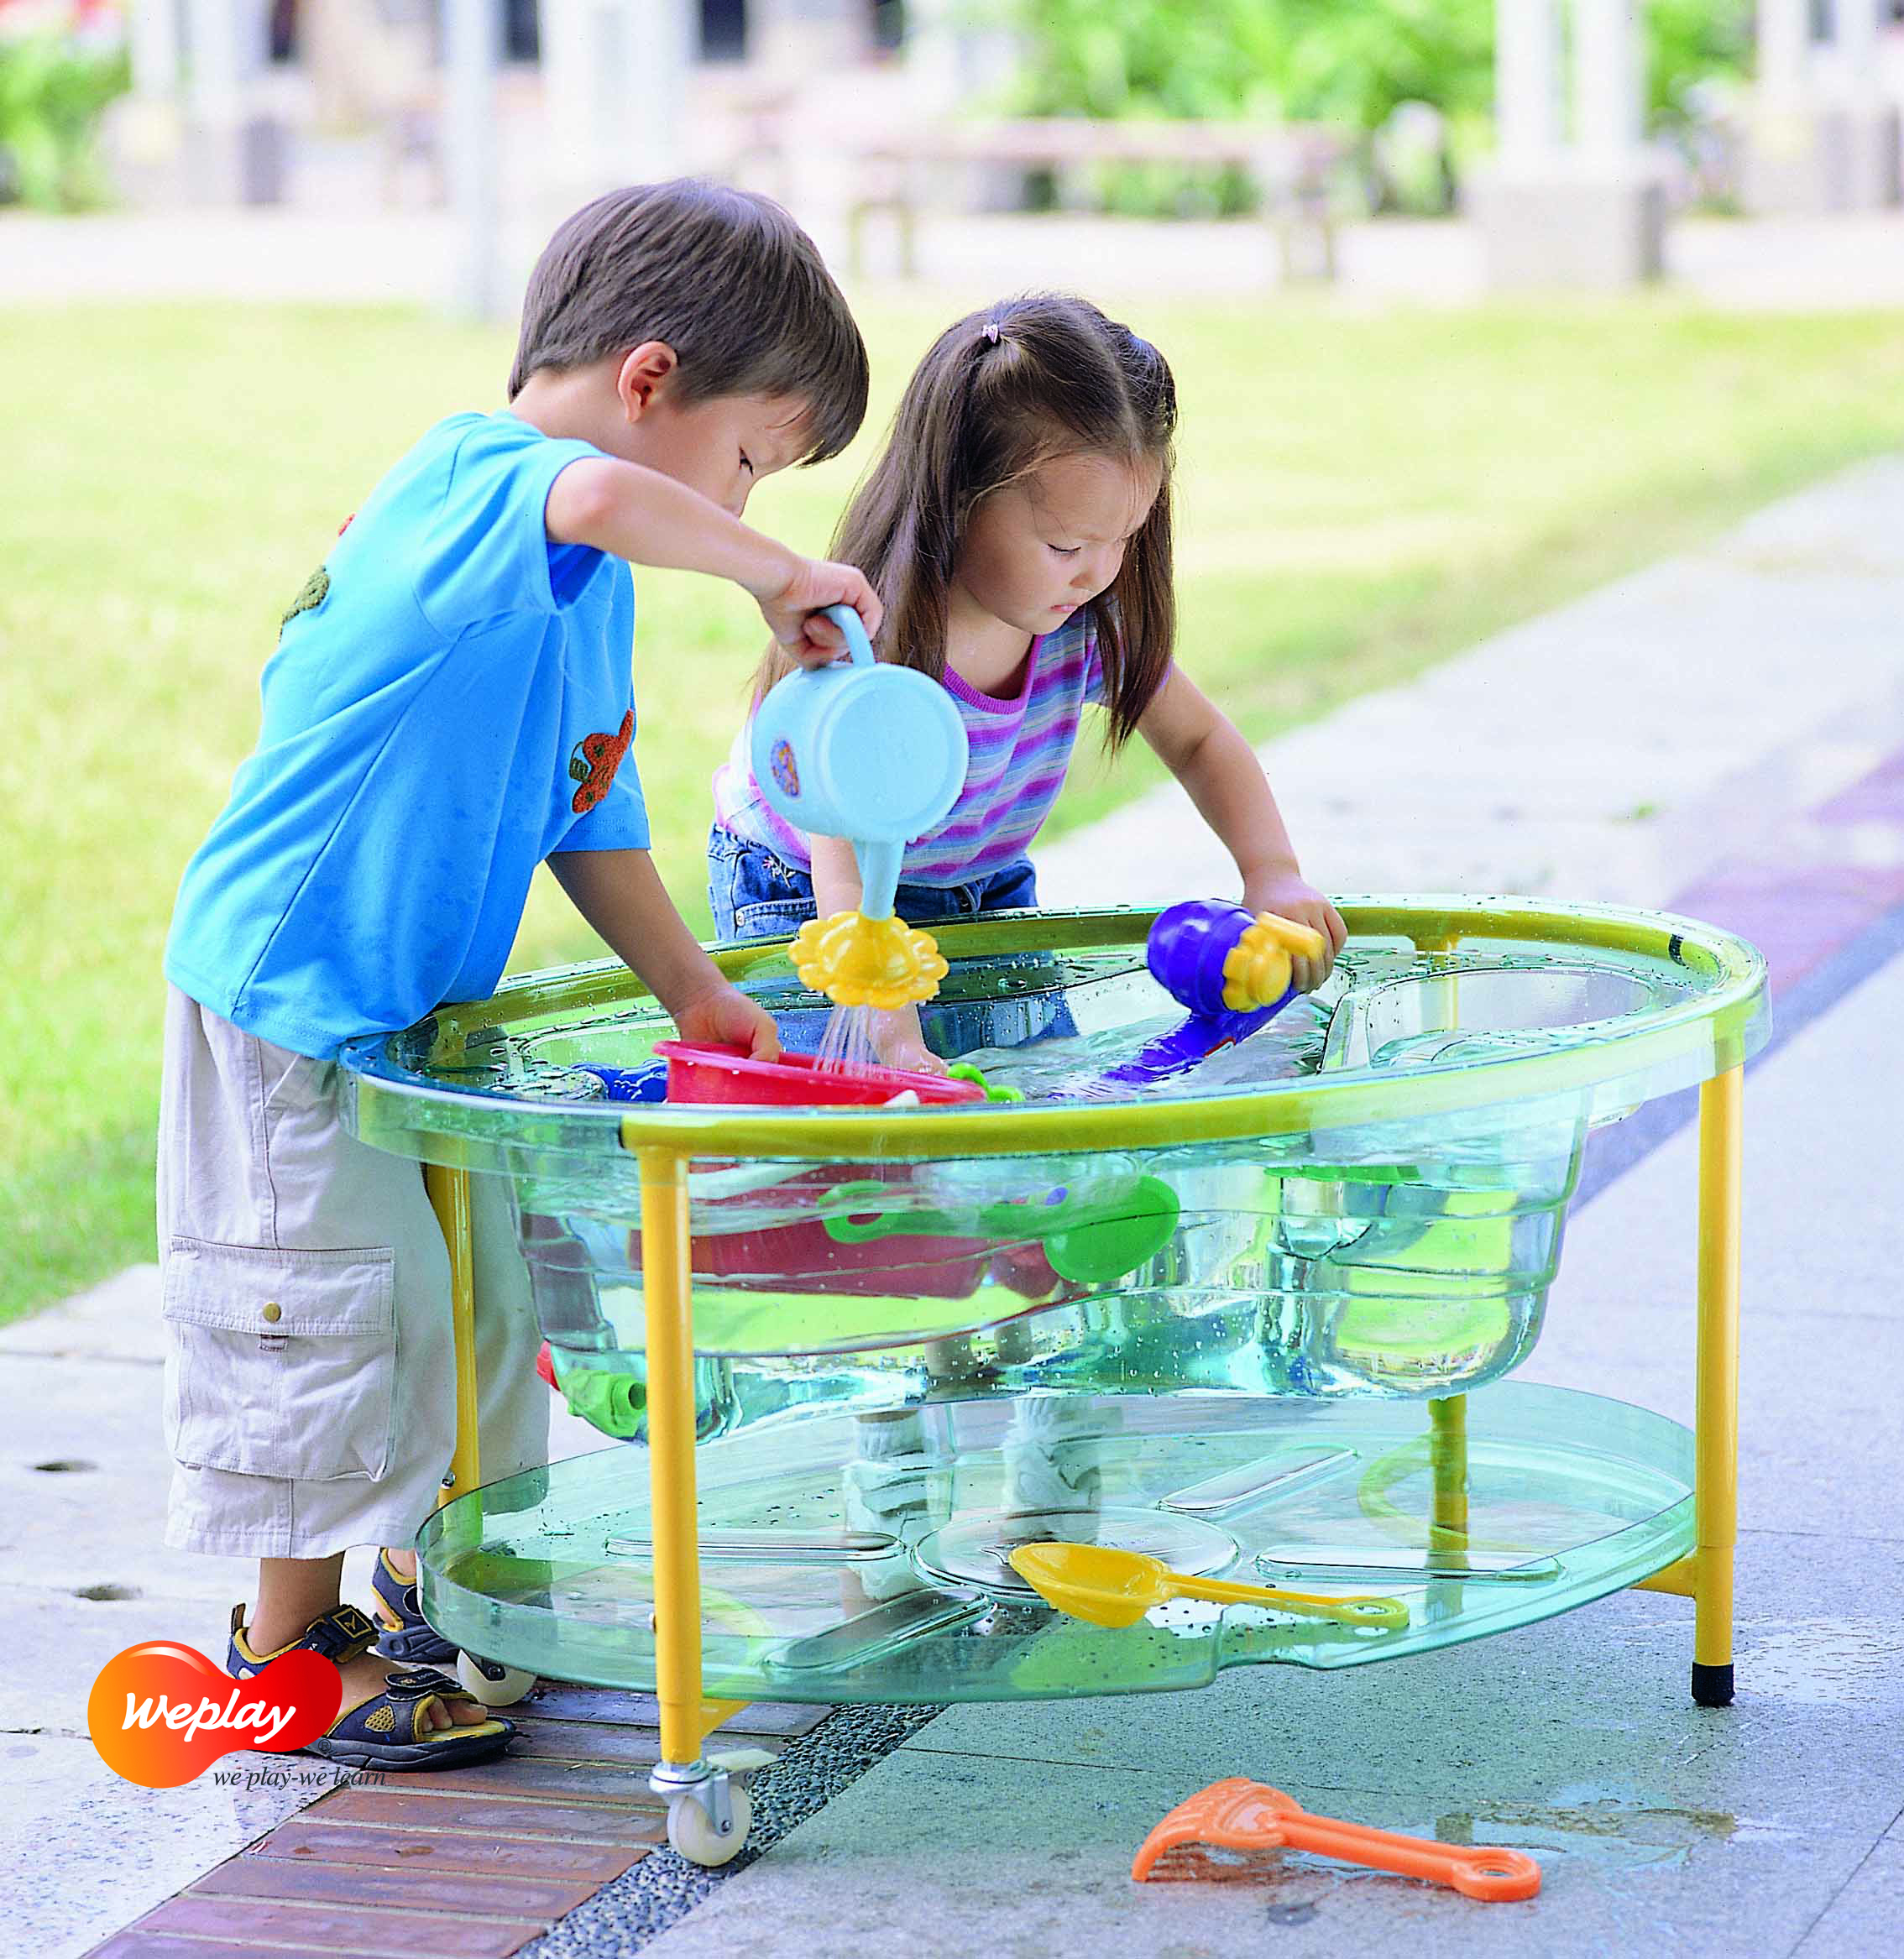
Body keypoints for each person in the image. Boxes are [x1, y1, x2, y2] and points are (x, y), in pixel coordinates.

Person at [156, 180, 879, 1768]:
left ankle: (439, 1568)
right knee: (324, 1325)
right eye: (753, 455)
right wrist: (766, 575)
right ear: (646, 377)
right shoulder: (473, 480)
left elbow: (590, 808)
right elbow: (597, 499)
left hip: (407, 1020)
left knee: (459, 1312)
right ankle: (282, 1648)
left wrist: (694, 987)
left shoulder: (590, 580)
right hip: (285, 1004)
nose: (751, 503)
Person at [709, 292, 1347, 1074]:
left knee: (1024, 1098)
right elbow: (841, 848)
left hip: (980, 886)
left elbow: (1199, 738)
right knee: (849, 1116)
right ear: (956, 500)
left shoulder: (1079, 626)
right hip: (810, 892)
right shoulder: (868, 647)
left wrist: (1270, 870)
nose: (1098, 571)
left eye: (1123, 538)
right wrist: (890, 1031)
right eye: (1064, 542)